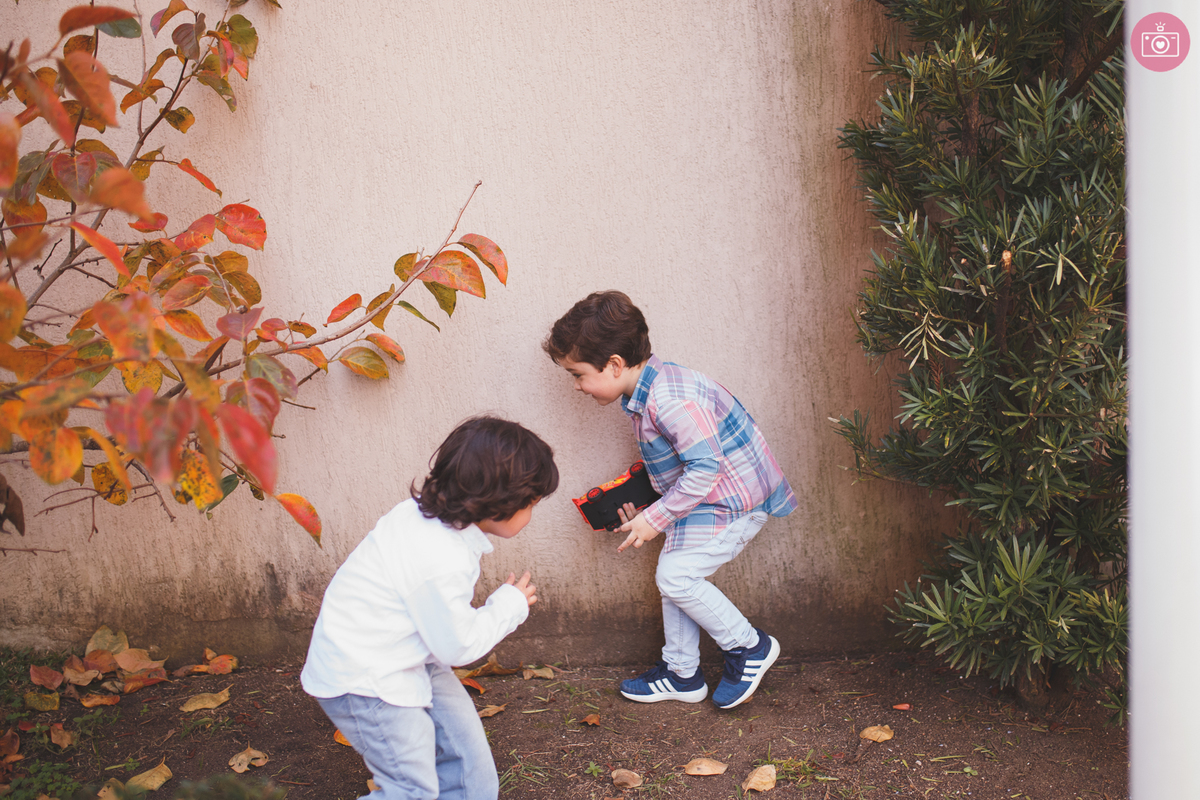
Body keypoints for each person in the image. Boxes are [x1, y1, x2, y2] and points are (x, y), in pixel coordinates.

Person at [544, 290, 797, 710]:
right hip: (705, 499)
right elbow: (683, 462)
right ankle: (682, 673)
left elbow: (705, 468)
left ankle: (748, 647)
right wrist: (646, 506)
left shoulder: (669, 399)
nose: (576, 386)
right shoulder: (648, 391)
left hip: (736, 501)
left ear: (613, 364)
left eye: (578, 374)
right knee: (673, 575)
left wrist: (656, 518)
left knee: (676, 576)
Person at [300, 416, 558, 800]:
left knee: (471, 769)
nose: (531, 514)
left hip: (408, 655)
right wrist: (509, 606)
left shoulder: (419, 517)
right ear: (500, 501)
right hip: (367, 680)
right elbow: (457, 646)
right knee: (410, 792)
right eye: (531, 504)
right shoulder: (441, 557)